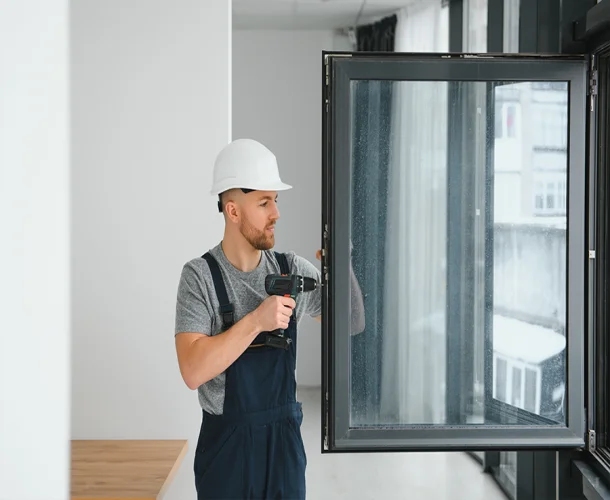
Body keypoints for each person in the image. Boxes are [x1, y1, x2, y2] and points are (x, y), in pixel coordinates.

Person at [174, 138, 364, 500]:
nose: (276, 213)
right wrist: (257, 321)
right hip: (226, 453)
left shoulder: (290, 270)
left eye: (276, 200)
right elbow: (192, 371)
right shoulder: (199, 277)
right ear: (233, 211)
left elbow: (352, 322)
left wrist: (344, 262)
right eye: (264, 202)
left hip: (283, 447)